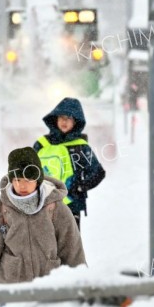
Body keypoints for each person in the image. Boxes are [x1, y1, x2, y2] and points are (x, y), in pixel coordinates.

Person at [0, 147, 86, 290]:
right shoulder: (1, 210)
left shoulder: (56, 208)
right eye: (17, 179)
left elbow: (72, 249)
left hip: (51, 286)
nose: (22, 185)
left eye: (28, 179)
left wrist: (81, 283)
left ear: (37, 179)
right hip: (12, 290)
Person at [33, 97, 105, 229]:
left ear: (75, 122)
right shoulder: (42, 144)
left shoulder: (80, 147)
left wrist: (81, 187)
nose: (64, 121)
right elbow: (28, 169)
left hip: (71, 205)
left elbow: (98, 172)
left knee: (70, 247)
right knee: (44, 245)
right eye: (61, 117)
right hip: (43, 204)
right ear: (55, 119)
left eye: (69, 118)